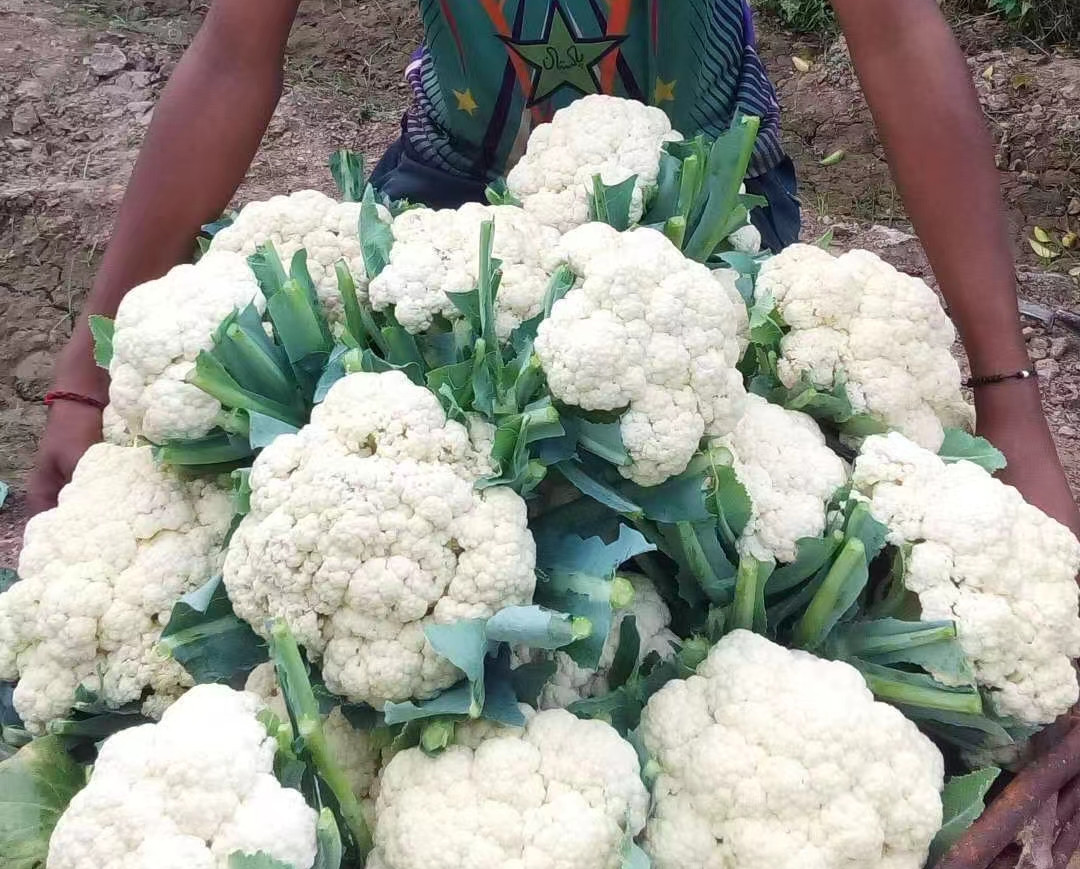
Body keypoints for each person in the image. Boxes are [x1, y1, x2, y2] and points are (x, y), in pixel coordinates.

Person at [29, 0, 1080, 538]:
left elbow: (895, 34)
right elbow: (233, 50)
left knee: (758, 540)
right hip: (450, 215)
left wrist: (1007, 399)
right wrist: (89, 364)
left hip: (712, 230)